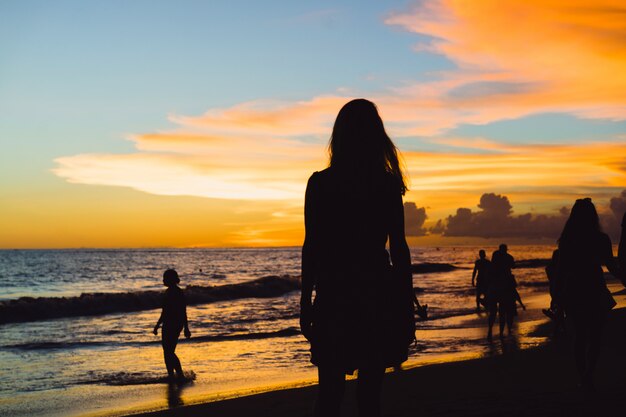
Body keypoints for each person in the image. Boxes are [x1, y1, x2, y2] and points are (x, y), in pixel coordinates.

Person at [300, 99, 422, 417]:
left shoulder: (320, 183)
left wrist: (305, 301)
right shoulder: (385, 185)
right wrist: (407, 302)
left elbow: (311, 247)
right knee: (370, 395)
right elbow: (399, 249)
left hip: (335, 292)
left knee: (329, 393)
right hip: (376, 292)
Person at [554, 198, 624, 391]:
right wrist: (623, 276)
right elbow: (611, 265)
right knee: (595, 337)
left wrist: (557, 296)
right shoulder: (601, 239)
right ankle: (588, 374)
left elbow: (561, 270)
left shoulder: (568, 240)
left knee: (580, 336)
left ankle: (583, 376)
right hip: (595, 287)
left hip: (574, 289)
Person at [153, 269, 191, 381]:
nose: (163, 280)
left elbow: (183, 311)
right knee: (167, 351)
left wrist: (186, 328)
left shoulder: (178, 292)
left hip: (175, 324)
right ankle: (171, 375)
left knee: (169, 351)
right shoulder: (168, 292)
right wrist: (157, 325)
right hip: (167, 324)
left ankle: (180, 375)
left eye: (165, 278)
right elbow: (164, 312)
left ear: (171, 279)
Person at [486, 244, 517, 341]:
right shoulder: (508, 257)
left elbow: (489, 277)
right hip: (504, 288)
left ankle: (490, 331)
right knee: (502, 312)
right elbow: (514, 266)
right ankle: (500, 333)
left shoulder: (495, 258)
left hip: (494, 288)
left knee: (493, 312)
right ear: (506, 250)